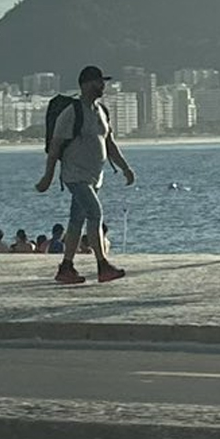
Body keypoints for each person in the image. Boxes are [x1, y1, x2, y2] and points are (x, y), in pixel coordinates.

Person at [35, 65, 136, 284]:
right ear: (85, 84)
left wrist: (125, 168)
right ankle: (103, 265)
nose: (102, 86)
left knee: (76, 221)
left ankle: (66, 267)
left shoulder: (101, 111)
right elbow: (55, 146)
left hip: (94, 177)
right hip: (75, 176)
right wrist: (48, 177)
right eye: (98, 81)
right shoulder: (72, 112)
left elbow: (109, 143)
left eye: (103, 82)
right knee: (95, 213)